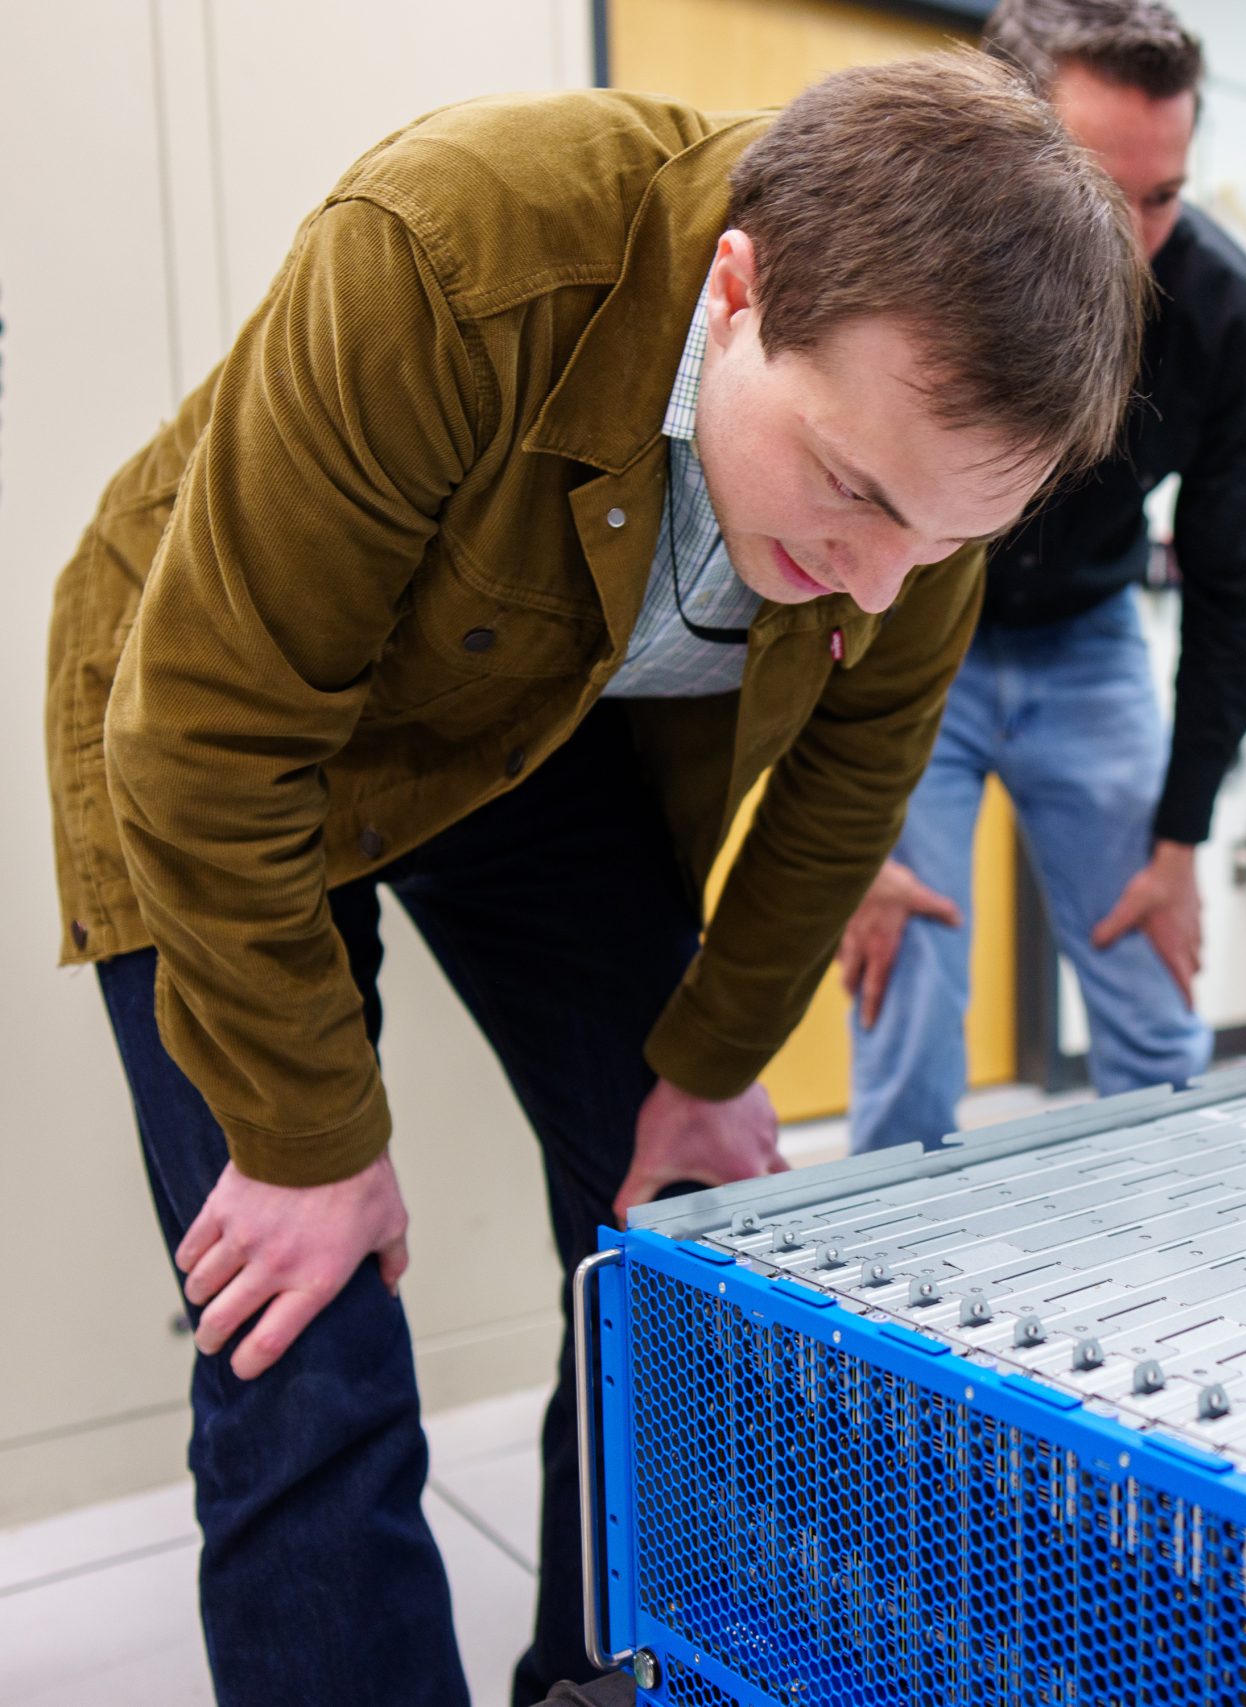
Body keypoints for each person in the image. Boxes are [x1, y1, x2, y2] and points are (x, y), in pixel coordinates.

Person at [45, 57, 1144, 1705]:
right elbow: (208, 736)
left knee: (663, 1232)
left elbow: (847, 787)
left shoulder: (917, 487)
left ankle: (596, 1674)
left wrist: (704, 1073)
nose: (878, 576)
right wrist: (307, 1141)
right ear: (738, 288)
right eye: (850, 491)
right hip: (224, 730)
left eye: (937, 538)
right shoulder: (457, 247)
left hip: (531, 738)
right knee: (307, 1328)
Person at [838, 0, 1246, 1151]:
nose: (1128, 241)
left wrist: (1181, 842)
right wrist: (848, 841)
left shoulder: (1224, 310)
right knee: (909, 1003)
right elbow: (812, 539)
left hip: (1089, 641)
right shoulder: (906, 260)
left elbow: (1235, 588)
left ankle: (1179, 1297)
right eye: (1094, 187)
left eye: (1163, 197)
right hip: (910, 631)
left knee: (1152, 1010)